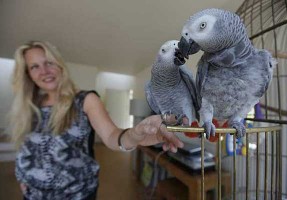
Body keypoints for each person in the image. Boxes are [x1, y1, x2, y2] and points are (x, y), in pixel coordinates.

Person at [8, 41, 184, 200]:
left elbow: (112, 136)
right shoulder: (30, 106)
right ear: (28, 74)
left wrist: (135, 133)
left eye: (48, 62)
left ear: (59, 65)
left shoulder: (85, 100)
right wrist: (23, 177)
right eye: (34, 67)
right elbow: (28, 147)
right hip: (32, 194)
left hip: (75, 194)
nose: (44, 71)